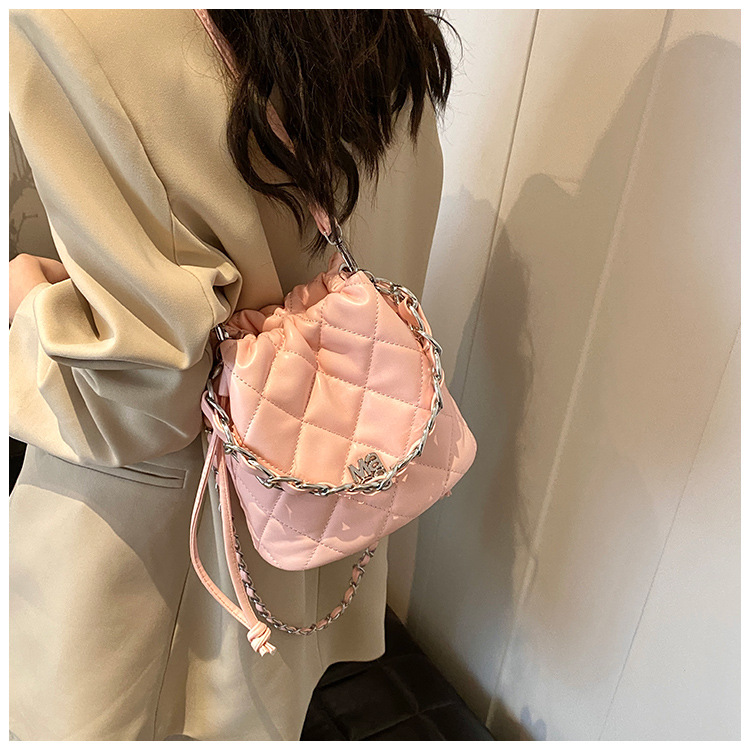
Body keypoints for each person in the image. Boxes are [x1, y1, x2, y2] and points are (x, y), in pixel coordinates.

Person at [8, 9, 453, 741]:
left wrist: (28, 303)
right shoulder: (391, 33)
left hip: (151, 589)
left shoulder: (81, 24)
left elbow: (132, 408)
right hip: (307, 531)